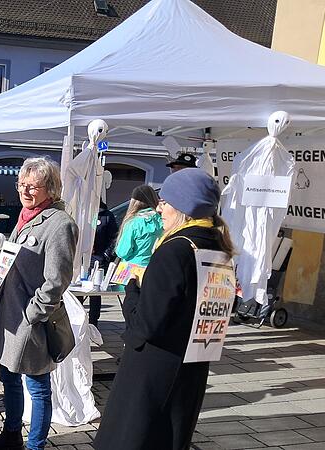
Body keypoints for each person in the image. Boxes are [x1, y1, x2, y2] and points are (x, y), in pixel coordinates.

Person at [93, 168, 234, 450]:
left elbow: (143, 327)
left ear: (184, 207)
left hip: (153, 373)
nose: (160, 208)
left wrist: (133, 290)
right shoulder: (217, 248)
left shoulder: (175, 250)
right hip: (190, 367)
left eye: (166, 202)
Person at [0, 157, 78, 450]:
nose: (25, 190)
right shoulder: (26, 215)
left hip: (32, 320)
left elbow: (56, 281)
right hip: (9, 314)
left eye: (33, 186)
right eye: (21, 184)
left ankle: (35, 446)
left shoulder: (60, 224)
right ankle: (11, 436)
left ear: (51, 188)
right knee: (7, 374)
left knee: (37, 385)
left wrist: (32, 314)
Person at [115, 185, 163, 266]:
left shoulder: (133, 222)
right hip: (154, 267)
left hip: (133, 268)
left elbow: (123, 252)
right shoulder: (163, 220)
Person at [87, 200, 118, 328]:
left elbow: (114, 237)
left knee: (95, 292)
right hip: (82, 258)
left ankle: (93, 321)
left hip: (98, 259)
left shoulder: (107, 216)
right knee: (78, 290)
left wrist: (106, 254)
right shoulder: (83, 212)